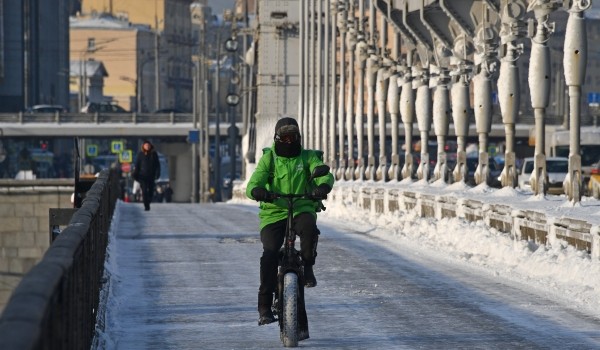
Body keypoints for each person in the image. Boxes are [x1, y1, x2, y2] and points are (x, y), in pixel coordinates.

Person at [246, 117, 334, 326]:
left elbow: (324, 173)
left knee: (309, 230)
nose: (287, 142)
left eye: (292, 137)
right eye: (283, 138)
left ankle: (308, 265)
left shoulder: (308, 157)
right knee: (269, 255)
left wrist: (322, 187)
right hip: (274, 211)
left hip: (302, 206)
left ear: (298, 138)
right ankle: (265, 307)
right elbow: (254, 182)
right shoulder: (269, 159)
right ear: (276, 138)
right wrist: (259, 192)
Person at [133, 140, 161, 211]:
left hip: (151, 176)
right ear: (143, 146)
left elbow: (157, 165)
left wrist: (158, 173)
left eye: (148, 145)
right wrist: (135, 175)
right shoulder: (140, 154)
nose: (147, 147)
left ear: (150, 146)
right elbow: (137, 166)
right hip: (142, 176)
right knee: (144, 191)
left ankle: (149, 200)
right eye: (146, 145)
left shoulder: (154, 154)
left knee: (151, 191)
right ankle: (146, 206)